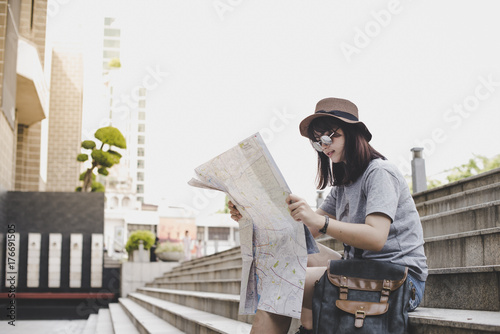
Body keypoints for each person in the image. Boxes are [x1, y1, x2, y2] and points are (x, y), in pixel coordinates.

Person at [228, 97, 428, 334]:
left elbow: (376, 237)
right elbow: (301, 235)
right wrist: (252, 216)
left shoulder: (381, 173)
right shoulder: (344, 185)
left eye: (329, 136)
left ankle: (309, 327)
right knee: (292, 251)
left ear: (353, 133)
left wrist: (320, 221)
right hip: (363, 269)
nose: (323, 146)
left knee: (280, 285)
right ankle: (310, 327)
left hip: (399, 281)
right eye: (317, 141)